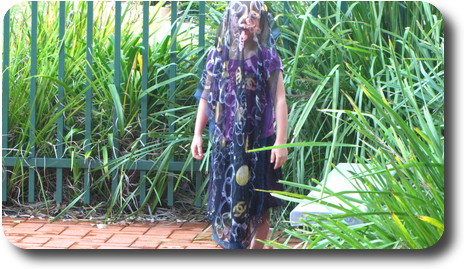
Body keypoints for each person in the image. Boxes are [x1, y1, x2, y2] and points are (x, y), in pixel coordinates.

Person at [191, 1, 288, 249]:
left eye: (254, 17)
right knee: (229, 202)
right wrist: (197, 135)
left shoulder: (268, 58)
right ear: (229, 22)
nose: (247, 22)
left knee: (261, 207)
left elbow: (279, 100)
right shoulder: (216, 57)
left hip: (260, 146)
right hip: (227, 144)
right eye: (241, 17)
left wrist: (280, 141)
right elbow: (205, 96)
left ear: (262, 23)